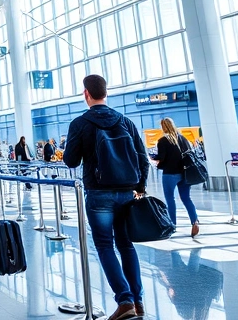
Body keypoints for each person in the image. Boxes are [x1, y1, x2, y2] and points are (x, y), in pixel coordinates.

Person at [64, 75, 149, 320]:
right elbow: (142, 158)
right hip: (126, 191)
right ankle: (138, 300)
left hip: (98, 192)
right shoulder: (125, 121)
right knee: (126, 245)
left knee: (104, 245)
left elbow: (71, 160)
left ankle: (124, 300)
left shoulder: (80, 123)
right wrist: (140, 187)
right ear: (106, 93)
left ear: (86, 94)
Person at [154, 118, 200, 237]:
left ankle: (172, 225)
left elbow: (161, 157)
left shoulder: (163, 141)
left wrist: (154, 159)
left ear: (163, 127)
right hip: (185, 173)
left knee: (170, 199)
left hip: (170, 174)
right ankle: (195, 221)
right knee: (186, 198)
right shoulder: (183, 139)